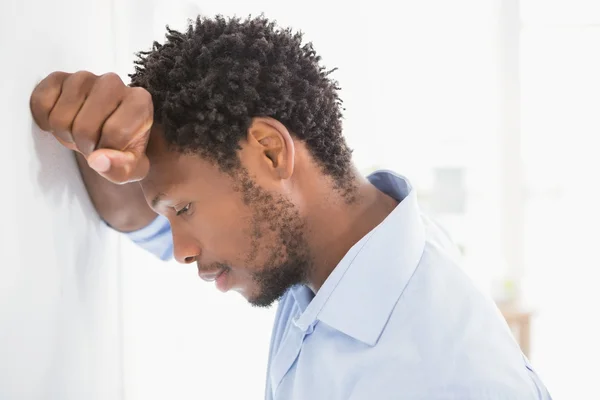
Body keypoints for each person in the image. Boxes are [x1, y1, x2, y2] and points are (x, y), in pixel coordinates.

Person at [29, 14, 552, 400]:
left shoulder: (444, 377)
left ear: (269, 151)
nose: (181, 250)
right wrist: (98, 137)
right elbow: (131, 217)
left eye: (184, 210)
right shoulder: (350, 250)